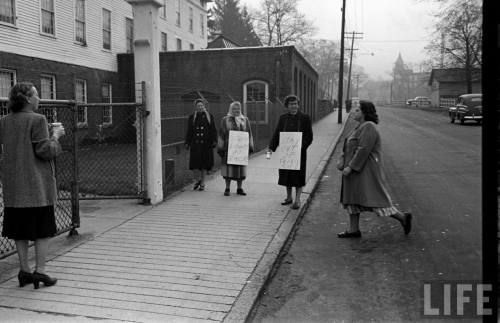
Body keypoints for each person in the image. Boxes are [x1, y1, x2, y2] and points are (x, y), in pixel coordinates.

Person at [0, 82, 65, 288]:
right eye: (36, 95)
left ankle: (24, 271)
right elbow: (45, 151)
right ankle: (40, 271)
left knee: (19, 230)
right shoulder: (38, 120)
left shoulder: (4, 121)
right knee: (42, 230)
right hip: (36, 187)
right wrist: (56, 135)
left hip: (14, 186)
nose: (39, 99)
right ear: (27, 98)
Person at [337, 100, 412, 238]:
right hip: (355, 172)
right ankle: (354, 229)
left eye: (358, 110)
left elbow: (363, 150)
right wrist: (342, 160)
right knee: (352, 200)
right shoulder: (358, 127)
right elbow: (349, 146)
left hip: (365, 171)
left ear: (365, 112)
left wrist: (351, 167)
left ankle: (403, 217)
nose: (354, 111)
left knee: (375, 199)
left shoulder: (369, 127)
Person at [268, 95, 313, 210]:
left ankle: (297, 200)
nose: (294, 106)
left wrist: (301, 147)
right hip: (286, 153)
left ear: (298, 105)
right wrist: (271, 148)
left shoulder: (305, 118)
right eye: (291, 104)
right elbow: (277, 133)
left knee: (298, 176)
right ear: (287, 106)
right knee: (286, 175)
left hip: (299, 153)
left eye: (295, 103)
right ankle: (289, 197)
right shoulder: (283, 118)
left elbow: (309, 136)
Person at [217, 101, 254, 196]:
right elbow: (221, 134)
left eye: (238, 108)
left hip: (241, 150)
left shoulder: (245, 120)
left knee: (240, 169)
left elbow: (249, 133)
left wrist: (250, 146)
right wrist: (220, 148)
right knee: (228, 169)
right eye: (234, 108)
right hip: (228, 149)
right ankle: (227, 188)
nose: (236, 110)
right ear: (231, 109)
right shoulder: (225, 120)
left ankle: (239, 188)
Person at [184, 99, 217, 191]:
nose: (200, 107)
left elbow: (213, 129)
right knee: (195, 164)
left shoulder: (209, 116)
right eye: (198, 106)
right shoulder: (192, 117)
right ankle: (197, 180)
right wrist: (187, 142)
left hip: (206, 144)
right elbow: (189, 131)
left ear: (204, 106)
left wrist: (214, 140)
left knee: (204, 165)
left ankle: (202, 182)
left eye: (202, 106)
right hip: (195, 144)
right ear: (195, 107)